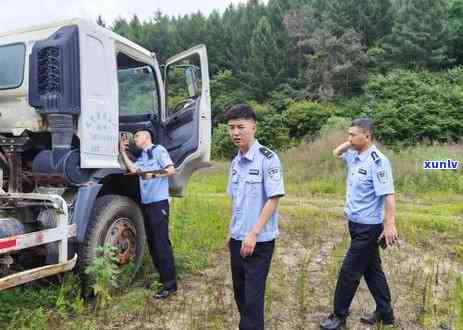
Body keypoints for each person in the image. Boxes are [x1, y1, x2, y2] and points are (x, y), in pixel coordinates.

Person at [320, 118, 398, 329]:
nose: (349, 138)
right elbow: (335, 153)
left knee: (349, 271)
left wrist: (390, 225)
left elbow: (388, 195)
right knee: (372, 270)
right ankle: (385, 313)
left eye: (354, 135)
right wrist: (351, 142)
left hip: (368, 228)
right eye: (349, 134)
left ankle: (338, 316)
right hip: (355, 224)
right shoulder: (355, 155)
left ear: (368, 136)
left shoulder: (378, 161)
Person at [226, 104, 285, 330]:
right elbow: (236, 200)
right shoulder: (235, 162)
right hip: (237, 238)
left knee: (252, 299)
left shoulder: (267, 159)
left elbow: (273, 199)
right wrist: (231, 232)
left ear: (253, 127)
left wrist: (253, 233)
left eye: (240, 127)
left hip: (258, 241)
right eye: (231, 128)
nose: (235, 133)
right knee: (240, 294)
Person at [119, 128, 177, 299]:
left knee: (161, 243)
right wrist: (123, 152)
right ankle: (163, 279)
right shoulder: (143, 156)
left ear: (146, 137)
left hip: (159, 203)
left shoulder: (159, 150)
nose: (134, 139)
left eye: (137, 136)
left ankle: (170, 285)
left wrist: (154, 174)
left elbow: (171, 169)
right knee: (152, 244)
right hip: (146, 204)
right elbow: (133, 169)